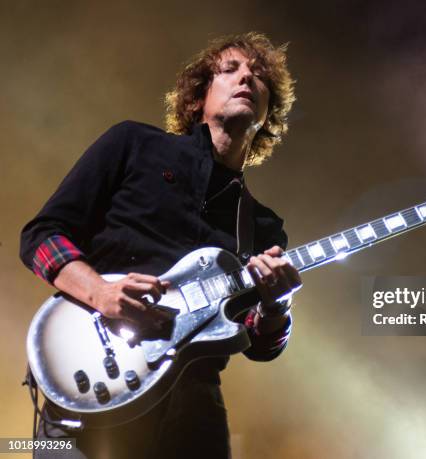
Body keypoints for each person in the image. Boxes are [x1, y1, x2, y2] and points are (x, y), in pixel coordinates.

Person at [20, 32, 301, 459]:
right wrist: (101, 292)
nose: (246, 78)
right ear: (198, 96)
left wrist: (277, 308)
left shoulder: (261, 226)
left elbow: (258, 344)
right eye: (230, 70)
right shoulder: (133, 144)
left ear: (267, 113)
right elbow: (42, 237)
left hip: (192, 409)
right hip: (95, 376)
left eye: (258, 76)